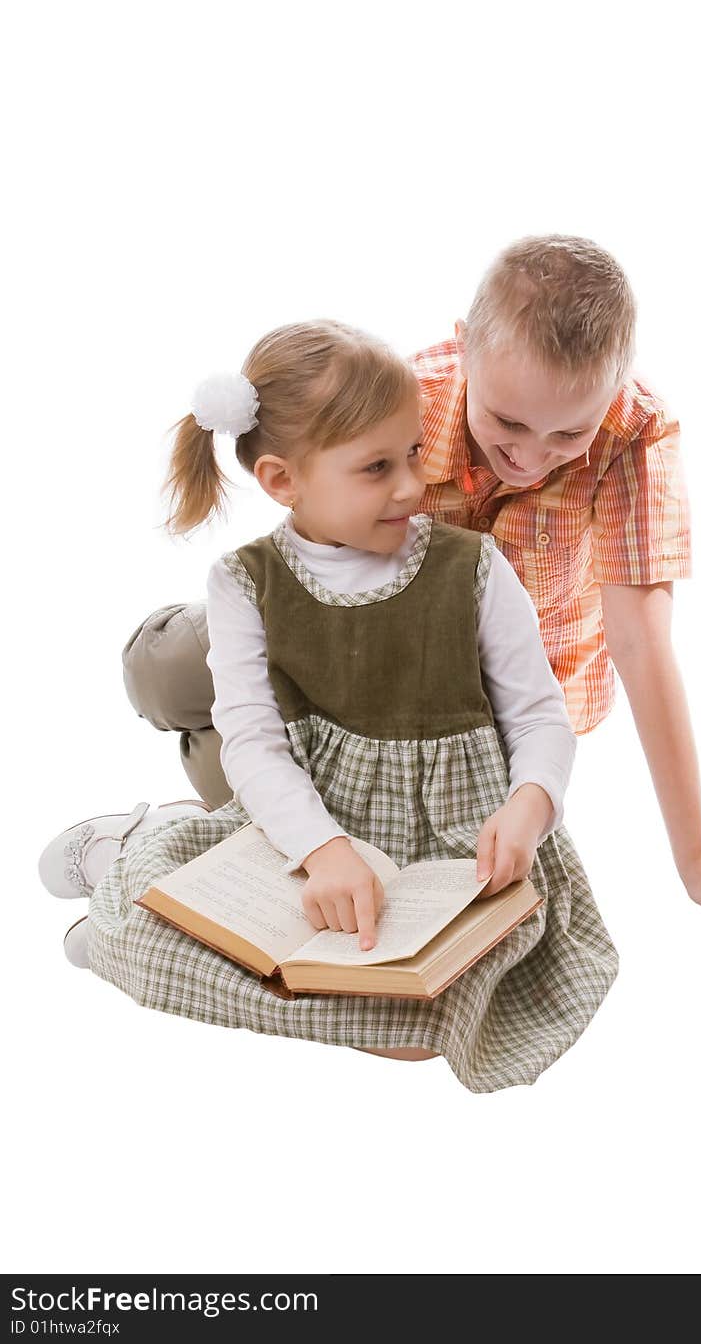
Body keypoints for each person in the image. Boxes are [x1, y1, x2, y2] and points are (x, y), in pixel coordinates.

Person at [121, 234, 701, 926]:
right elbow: (309, 518)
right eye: (507, 420)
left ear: (613, 391)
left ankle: (196, 839)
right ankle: (212, 803)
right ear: (466, 346)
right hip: (343, 640)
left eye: (568, 434)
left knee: (351, 854)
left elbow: (642, 645)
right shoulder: (404, 396)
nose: (531, 456)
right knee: (182, 677)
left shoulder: (637, 435)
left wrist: (696, 857)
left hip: (477, 706)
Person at [40, 319, 619, 1095]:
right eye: (377, 467)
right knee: (192, 946)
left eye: (414, 453)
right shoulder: (245, 581)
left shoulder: (472, 568)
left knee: (429, 1033)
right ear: (283, 481)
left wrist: (529, 805)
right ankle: (135, 860)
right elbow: (251, 743)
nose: (413, 486)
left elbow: (541, 717)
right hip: (317, 830)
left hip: (449, 846)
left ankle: (139, 882)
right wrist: (324, 850)